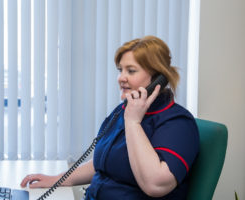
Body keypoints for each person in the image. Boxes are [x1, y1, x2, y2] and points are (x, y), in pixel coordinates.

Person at [20, 35, 199, 199]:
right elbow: (104, 162)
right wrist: (58, 179)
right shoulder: (124, 111)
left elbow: (155, 185)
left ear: (157, 77)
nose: (121, 78)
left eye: (131, 71)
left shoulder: (177, 123)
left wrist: (133, 122)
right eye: (120, 70)